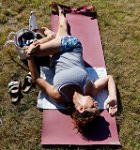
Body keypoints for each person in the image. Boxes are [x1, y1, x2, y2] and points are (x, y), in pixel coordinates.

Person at [25, 4, 117, 134]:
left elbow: (37, 79)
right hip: (72, 46)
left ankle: (52, 35)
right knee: (58, 34)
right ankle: (56, 25)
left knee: (31, 51)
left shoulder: (59, 95)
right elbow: (109, 78)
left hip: (56, 57)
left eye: (93, 107)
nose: (97, 104)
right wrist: (112, 97)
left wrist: (29, 57)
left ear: (80, 108)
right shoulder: (90, 90)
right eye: (97, 107)